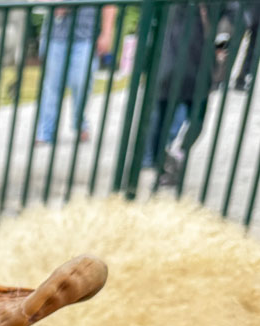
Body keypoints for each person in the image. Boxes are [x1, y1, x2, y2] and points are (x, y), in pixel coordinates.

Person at [141, 2, 242, 189]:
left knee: (171, 117)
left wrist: (220, 43)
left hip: (179, 62)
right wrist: (220, 45)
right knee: (188, 117)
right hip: (188, 61)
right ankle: (170, 157)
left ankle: (165, 159)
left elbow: (233, 15)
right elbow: (234, 16)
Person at [37, 5, 117, 144]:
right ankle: (45, 132)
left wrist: (107, 33)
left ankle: (79, 122)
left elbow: (109, 4)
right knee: (51, 86)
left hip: (86, 36)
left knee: (81, 82)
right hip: (54, 36)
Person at [236, 2, 259, 91]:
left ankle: (243, 76)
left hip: (253, 12)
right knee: (234, 45)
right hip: (245, 10)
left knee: (253, 48)